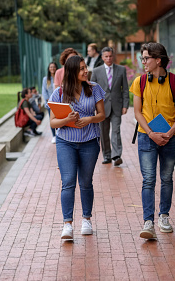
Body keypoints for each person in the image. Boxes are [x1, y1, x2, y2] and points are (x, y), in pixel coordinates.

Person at [129, 42, 175, 239]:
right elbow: (137, 112)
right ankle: (148, 222)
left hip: (170, 137)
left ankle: (164, 216)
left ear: (158, 60)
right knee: (148, 179)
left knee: (167, 178)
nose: (143, 62)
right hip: (147, 137)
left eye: (146, 58)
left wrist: (170, 133)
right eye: (143, 58)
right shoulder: (140, 82)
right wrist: (151, 133)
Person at [47, 56, 106, 241]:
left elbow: (102, 115)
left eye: (85, 67)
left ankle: (86, 219)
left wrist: (89, 119)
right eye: (81, 69)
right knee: (68, 181)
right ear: (72, 71)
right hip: (66, 143)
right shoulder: (58, 93)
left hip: (90, 141)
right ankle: (67, 224)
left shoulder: (94, 88)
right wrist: (68, 120)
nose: (85, 71)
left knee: (86, 182)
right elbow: (53, 123)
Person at [90, 47, 130, 166]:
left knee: (116, 131)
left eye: (110, 56)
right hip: (102, 107)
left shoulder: (121, 70)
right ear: (102, 57)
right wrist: (94, 107)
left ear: (113, 56)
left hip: (117, 106)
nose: (108, 58)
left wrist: (125, 105)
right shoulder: (96, 71)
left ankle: (116, 155)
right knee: (103, 132)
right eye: (106, 56)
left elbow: (125, 90)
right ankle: (107, 155)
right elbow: (91, 90)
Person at [42, 62, 58, 143]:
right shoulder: (46, 79)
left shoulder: (58, 77)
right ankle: (54, 136)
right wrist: (48, 100)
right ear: (49, 68)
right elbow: (44, 91)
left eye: (54, 67)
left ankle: (59, 134)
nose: (52, 68)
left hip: (58, 103)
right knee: (51, 119)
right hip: (50, 104)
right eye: (51, 67)